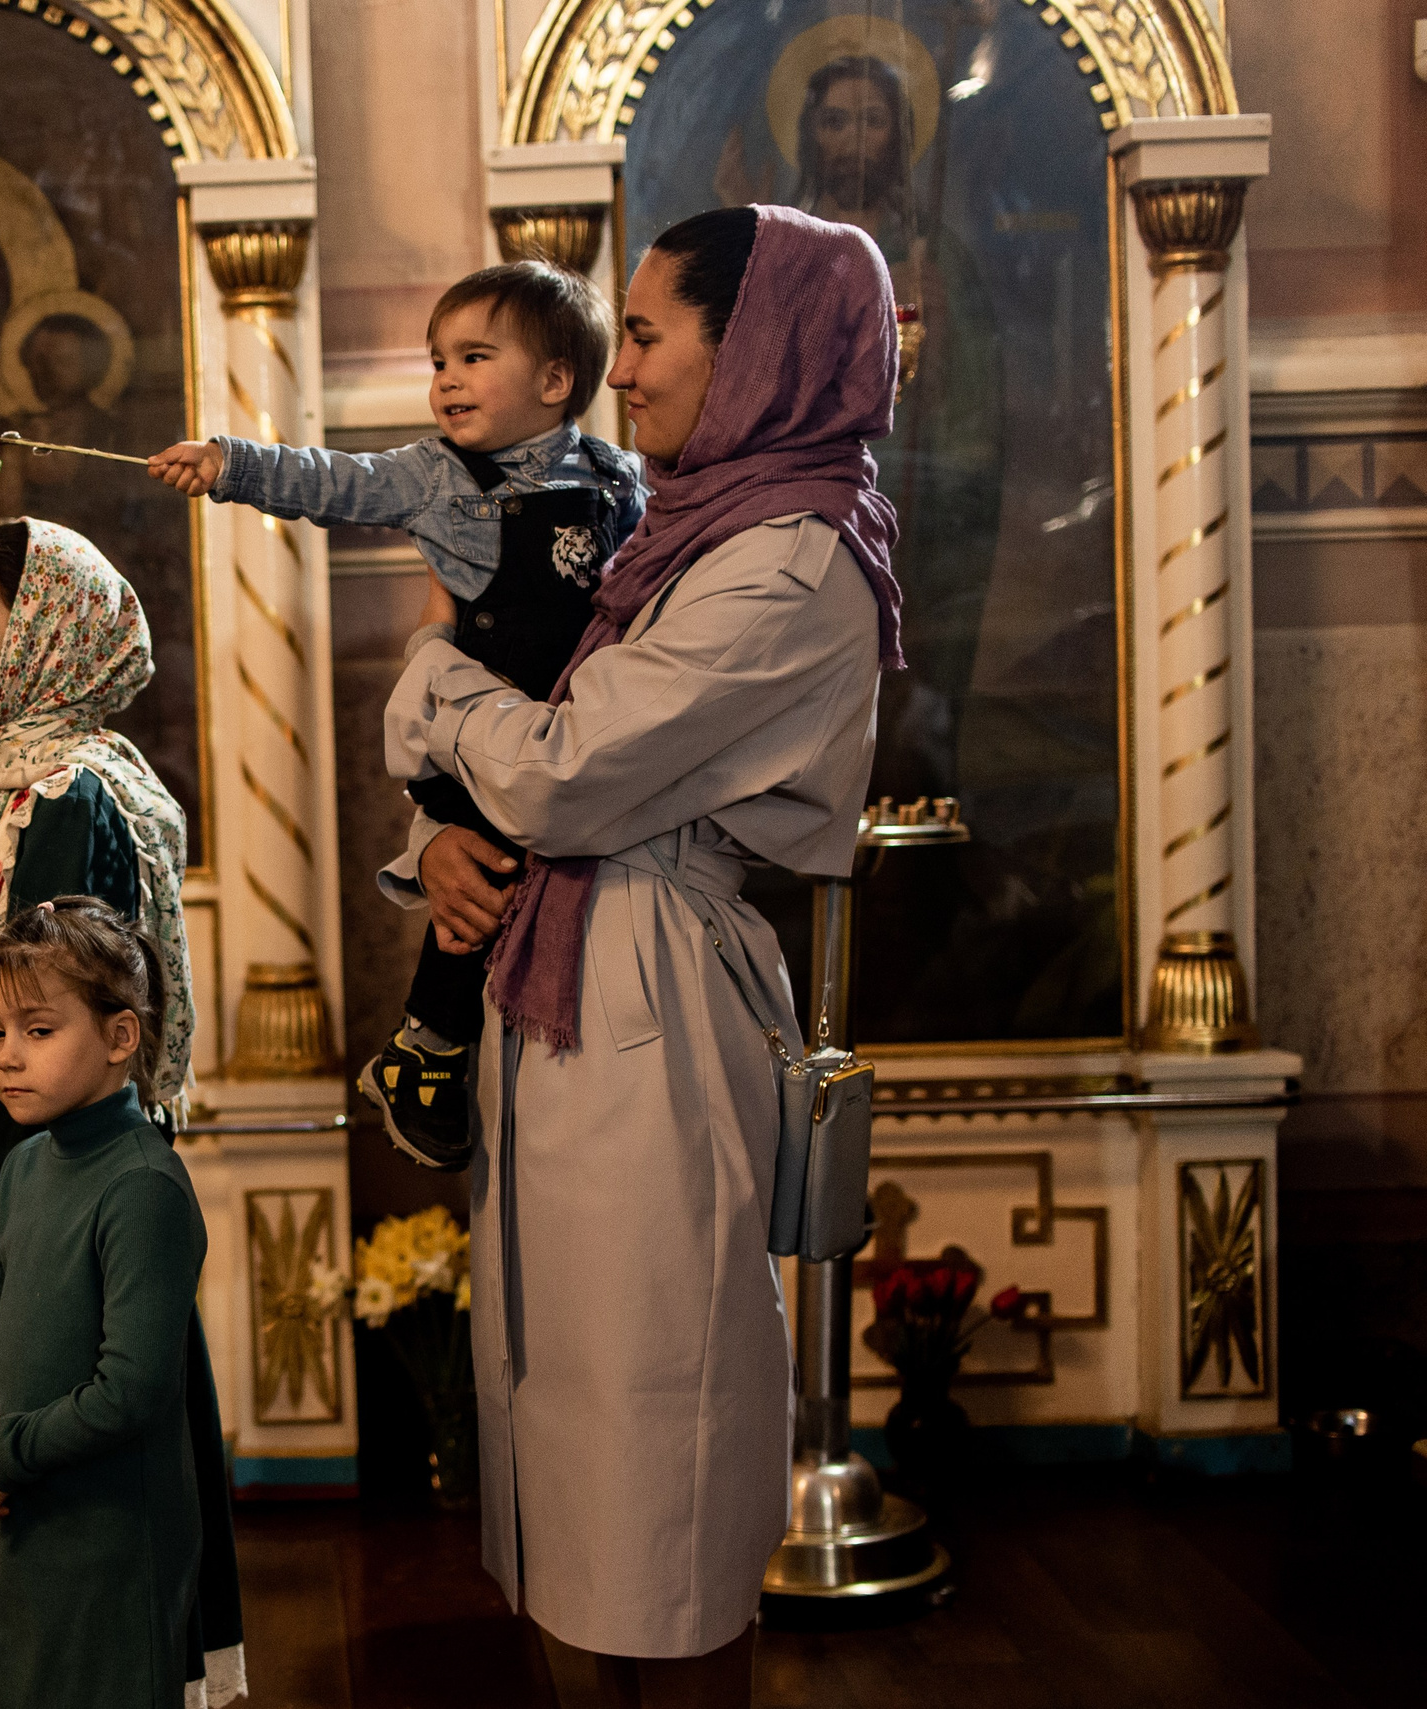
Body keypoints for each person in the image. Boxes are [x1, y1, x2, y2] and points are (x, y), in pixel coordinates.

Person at [383, 204, 901, 1705]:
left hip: (654, 992)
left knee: (652, 1452)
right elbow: (531, 778)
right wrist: (439, 849)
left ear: (758, 352)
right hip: (566, 961)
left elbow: (559, 772)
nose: (627, 372)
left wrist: (432, 676)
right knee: (559, 1422)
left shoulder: (794, 560)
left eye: (655, 333)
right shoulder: (676, 537)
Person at [145, 259, 643, 1171]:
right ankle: (424, 1046)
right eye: (437, 359)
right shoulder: (435, 476)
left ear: (555, 380)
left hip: (577, 738)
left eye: (472, 357)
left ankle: (447, 1047)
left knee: (523, 886)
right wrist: (230, 463)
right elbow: (335, 480)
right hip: (481, 740)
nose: (445, 379)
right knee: (476, 889)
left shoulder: (618, 479)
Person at [0, 518, 242, 1709]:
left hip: (43, 1228)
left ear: (41, 639)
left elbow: (49, 1013)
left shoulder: (66, 797)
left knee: (80, 1583)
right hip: (8, 1212)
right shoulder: (0, 792)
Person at [0, 896, 214, 1709]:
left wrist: (2, 1451)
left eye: (39, 1031)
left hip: (112, 1534)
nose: (8, 1057)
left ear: (121, 1037)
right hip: (23, 1520)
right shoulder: (23, 1169)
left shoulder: (142, 1185)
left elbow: (132, 1390)